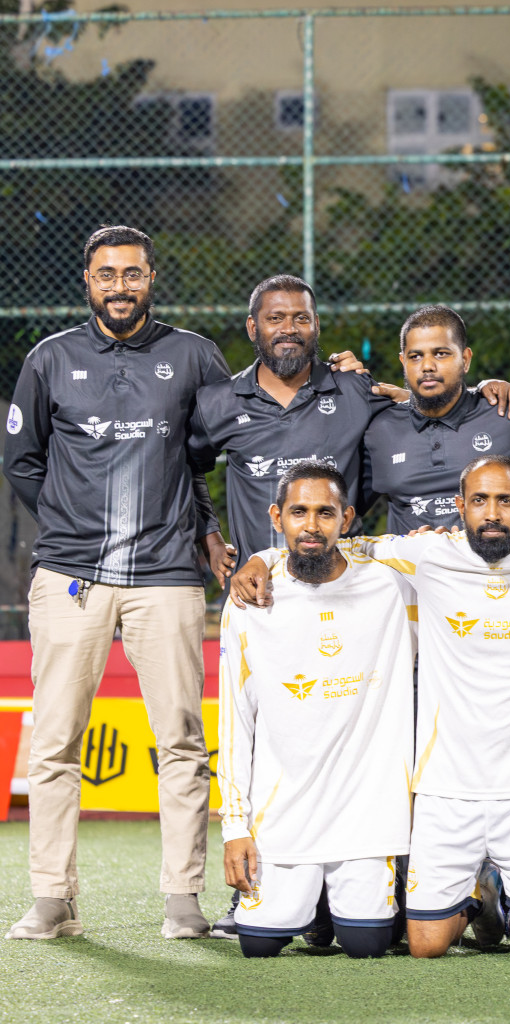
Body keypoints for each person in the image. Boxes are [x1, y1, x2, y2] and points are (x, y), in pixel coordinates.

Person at [232, 455, 510, 958]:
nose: (492, 512)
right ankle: (478, 897)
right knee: (423, 946)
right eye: (479, 501)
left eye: (505, 501)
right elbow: (332, 546)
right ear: (459, 506)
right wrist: (260, 559)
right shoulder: (424, 555)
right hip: (446, 783)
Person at [3, 225, 235, 942]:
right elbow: (21, 458)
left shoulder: (195, 355)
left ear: (151, 278)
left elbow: (214, 455)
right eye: (107, 274)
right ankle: (52, 899)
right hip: (71, 577)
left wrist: (205, 531)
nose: (120, 286)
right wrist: (74, 529)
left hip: (165, 576)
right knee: (52, 743)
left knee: (183, 742)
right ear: (88, 282)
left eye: (132, 274)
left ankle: (182, 899)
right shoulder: (51, 358)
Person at [219, 461, 415, 959]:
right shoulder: (250, 601)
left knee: (368, 944)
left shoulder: (391, 588)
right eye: (298, 512)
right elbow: (235, 721)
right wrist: (235, 827)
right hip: (283, 816)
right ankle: (312, 899)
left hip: (366, 820)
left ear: (346, 519)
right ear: (276, 517)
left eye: (325, 513)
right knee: (258, 947)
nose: (311, 526)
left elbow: (468, 565)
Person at [189, 275, 397, 579]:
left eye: (301, 318)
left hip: (345, 583)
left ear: (316, 326)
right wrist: (210, 538)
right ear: (252, 327)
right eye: (275, 318)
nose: (289, 329)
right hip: (259, 586)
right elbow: (186, 467)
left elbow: (418, 423)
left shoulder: (354, 389)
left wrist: (480, 390)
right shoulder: (217, 402)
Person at [362, 305, 510, 533]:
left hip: (496, 567)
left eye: (441, 354)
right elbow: (339, 505)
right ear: (403, 362)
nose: (427, 366)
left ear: (465, 359)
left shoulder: (508, 415)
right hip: (411, 568)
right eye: (416, 356)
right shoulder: (379, 429)